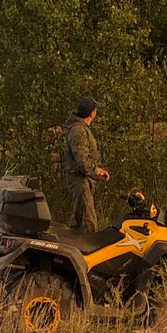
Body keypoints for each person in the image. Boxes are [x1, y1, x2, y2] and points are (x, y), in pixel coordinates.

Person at [61, 96, 110, 231]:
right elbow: (82, 162)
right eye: (95, 109)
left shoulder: (81, 129)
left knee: (83, 223)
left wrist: (97, 169)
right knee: (88, 226)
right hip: (80, 181)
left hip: (83, 180)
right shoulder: (78, 131)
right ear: (91, 113)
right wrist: (96, 171)